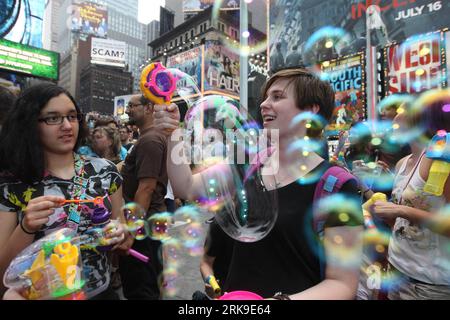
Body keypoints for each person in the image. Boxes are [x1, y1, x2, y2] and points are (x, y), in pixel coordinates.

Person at [153, 68, 363, 299]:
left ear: (311, 112)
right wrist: (172, 134)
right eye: (265, 97)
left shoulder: (338, 185)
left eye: (277, 96)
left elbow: (342, 284)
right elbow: (187, 187)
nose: (264, 104)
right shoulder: (250, 164)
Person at [0, 83, 131, 299]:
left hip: (101, 292)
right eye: (53, 118)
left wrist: (119, 234)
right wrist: (26, 227)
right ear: (30, 123)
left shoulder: (105, 171)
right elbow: (3, 275)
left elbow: (125, 241)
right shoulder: (12, 185)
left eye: (72, 116)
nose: (67, 126)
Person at [371, 93, 450, 299]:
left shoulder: (441, 161)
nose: (394, 118)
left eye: (401, 111)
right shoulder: (402, 163)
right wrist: (386, 213)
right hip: (397, 271)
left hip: (429, 285)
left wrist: (401, 210)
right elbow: (402, 225)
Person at [119, 94, 168, 300]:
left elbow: (146, 188)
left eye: (132, 106)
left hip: (144, 226)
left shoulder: (150, 140)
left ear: (149, 108)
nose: (128, 110)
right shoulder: (147, 138)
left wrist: (131, 232)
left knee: (142, 288)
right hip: (145, 223)